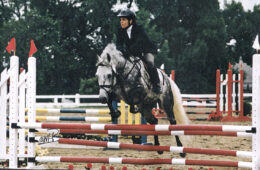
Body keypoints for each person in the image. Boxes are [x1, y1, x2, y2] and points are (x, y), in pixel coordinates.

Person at [116, 9, 161, 94]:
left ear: (131, 21)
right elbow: (118, 44)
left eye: (124, 20)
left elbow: (139, 43)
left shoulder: (139, 28)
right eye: (121, 20)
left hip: (145, 50)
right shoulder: (120, 30)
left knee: (149, 62)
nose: (121, 22)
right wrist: (121, 50)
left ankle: (157, 84)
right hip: (131, 52)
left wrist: (127, 51)